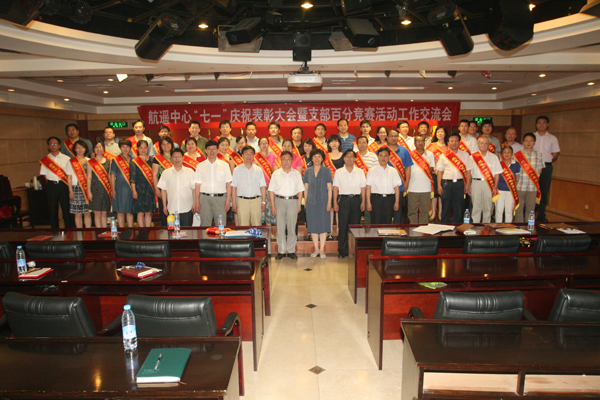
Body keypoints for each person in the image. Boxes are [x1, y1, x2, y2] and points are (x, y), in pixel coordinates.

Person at [269, 151, 304, 260]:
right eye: (284, 159)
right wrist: (273, 206)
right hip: (279, 201)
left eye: (288, 159)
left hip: (293, 201)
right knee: (280, 227)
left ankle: (291, 250)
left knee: (292, 227)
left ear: (292, 160)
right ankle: (281, 251)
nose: (286, 161)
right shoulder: (276, 174)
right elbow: (271, 191)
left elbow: (300, 191)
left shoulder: (297, 174)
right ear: (280, 160)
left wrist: (299, 205)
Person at [333, 150, 366, 258]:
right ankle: (342, 251)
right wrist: (335, 202)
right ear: (343, 158)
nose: (349, 159)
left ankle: (355, 250)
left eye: (351, 157)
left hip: (356, 200)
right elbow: (335, 188)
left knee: (355, 227)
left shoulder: (360, 171)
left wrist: (363, 201)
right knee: (342, 227)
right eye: (347, 156)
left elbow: (363, 188)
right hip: (343, 200)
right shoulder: (339, 172)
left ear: (355, 159)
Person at [193, 140, 233, 227]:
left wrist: (228, 201)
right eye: (209, 149)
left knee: (221, 225)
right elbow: (197, 184)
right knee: (204, 225)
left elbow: (228, 184)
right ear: (205, 151)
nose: (212, 151)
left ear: (218, 150)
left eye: (214, 149)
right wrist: (196, 201)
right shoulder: (200, 166)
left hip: (220, 199)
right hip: (204, 199)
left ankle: (220, 237)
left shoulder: (224, 165)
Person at [436, 133, 473, 224]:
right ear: (448, 143)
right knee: (445, 206)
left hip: (460, 184)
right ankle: (444, 226)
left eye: (456, 141)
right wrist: (439, 185)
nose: (454, 143)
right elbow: (439, 172)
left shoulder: (465, 155)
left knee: (459, 207)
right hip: (446, 184)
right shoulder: (443, 155)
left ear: (459, 142)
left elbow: (468, 172)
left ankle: (457, 226)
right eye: (452, 141)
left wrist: (468, 185)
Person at [303, 148, 333, 258]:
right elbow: (306, 188)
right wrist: (306, 203)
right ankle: (316, 249)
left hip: (324, 201)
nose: (317, 159)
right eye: (315, 156)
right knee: (313, 226)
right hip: (311, 202)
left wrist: (329, 202)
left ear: (322, 159)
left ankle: (322, 250)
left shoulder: (327, 171)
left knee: (324, 225)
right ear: (311, 158)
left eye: (319, 156)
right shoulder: (307, 171)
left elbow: (329, 188)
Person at [40, 136, 73, 228]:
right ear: (48, 146)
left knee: (66, 208)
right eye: (51, 144)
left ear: (59, 145)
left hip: (63, 185)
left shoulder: (66, 158)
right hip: (51, 185)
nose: (53, 145)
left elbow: (69, 174)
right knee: (52, 209)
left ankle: (69, 229)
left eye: (55, 144)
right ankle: (54, 230)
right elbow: (44, 175)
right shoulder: (45, 160)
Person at [157, 149, 195, 227]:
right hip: (172, 209)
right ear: (171, 158)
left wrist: (195, 203)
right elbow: (163, 190)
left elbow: (194, 189)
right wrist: (164, 205)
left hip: (187, 208)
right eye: (174, 156)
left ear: (183, 158)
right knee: (173, 232)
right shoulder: (166, 173)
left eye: (179, 156)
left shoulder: (190, 172)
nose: (177, 159)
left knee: (187, 232)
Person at [469, 136, 502, 223]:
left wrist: (495, 187)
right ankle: (475, 225)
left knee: (488, 207)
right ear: (478, 144)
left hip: (489, 184)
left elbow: (497, 174)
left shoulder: (494, 157)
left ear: (489, 145)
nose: (483, 145)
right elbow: (469, 173)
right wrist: (469, 186)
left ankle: (486, 226)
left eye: (486, 143)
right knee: (476, 207)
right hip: (476, 183)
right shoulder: (472, 157)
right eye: (482, 143)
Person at [533, 115, 560, 223]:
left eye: (544, 122)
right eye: (539, 122)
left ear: (547, 124)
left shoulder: (552, 138)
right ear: (536, 125)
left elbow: (556, 152)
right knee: (532, 191)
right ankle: (531, 214)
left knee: (543, 191)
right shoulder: (532, 137)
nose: (541, 125)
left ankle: (541, 215)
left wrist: (548, 160)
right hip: (532, 167)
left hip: (546, 167)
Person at [232, 146, 267, 226]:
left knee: (257, 225)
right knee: (243, 225)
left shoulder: (258, 169)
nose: (248, 156)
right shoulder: (237, 170)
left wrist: (263, 202)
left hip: (256, 201)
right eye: (246, 153)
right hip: (242, 201)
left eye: (251, 153)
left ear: (254, 155)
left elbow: (262, 186)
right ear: (242, 155)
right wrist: (234, 202)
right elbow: (234, 187)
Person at [514, 132, 544, 223]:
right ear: (523, 142)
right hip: (520, 185)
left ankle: (529, 227)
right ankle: (519, 226)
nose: (528, 143)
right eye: (526, 140)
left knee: (531, 209)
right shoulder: (517, 155)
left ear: (534, 142)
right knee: (519, 208)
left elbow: (540, 170)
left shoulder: (539, 154)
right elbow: (514, 171)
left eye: (531, 141)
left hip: (532, 186)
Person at [366, 147, 401, 224]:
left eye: (385, 155)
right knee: (375, 222)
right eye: (381, 155)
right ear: (378, 157)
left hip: (389, 200)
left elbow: (396, 188)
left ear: (389, 157)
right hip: (376, 199)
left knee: (387, 222)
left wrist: (397, 202)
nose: (383, 158)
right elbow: (368, 188)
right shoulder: (372, 170)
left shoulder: (393, 171)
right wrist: (368, 202)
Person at [385, 128, 413, 224]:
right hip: (385, 185)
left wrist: (407, 182)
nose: (393, 138)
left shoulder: (404, 150)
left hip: (400, 185)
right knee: (387, 210)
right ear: (387, 137)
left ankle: (397, 228)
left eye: (396, 136)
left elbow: (408, 167)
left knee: (398, 209)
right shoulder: (382, 150)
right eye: (391, 136)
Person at [408, 135, 435, 224]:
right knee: (412, 211)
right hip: (412, 187)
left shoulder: (430, 154)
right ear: (414, 143)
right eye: (418, 141)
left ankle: (423, 229)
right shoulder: (410, 155)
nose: (420, 143)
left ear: (425, 143)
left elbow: (431, 168)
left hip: (426, 188)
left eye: (422, 141)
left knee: (424, 211)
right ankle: (412, 228)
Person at [65, 140, 91, 228]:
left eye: (82, 147)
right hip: (75, 188)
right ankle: (79, 232)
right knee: (78, 214)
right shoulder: (71, 161)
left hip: (87, 188)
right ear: (75, 149)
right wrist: (70, 191)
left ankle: (88, 232)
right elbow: (69, 178)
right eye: (78, 148)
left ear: (85, 149)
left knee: (87, 213)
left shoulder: (89, 161)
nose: (80, 150)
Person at [131, 140, 156, 227]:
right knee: (140, 212)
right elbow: (132, 178)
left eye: (145, 147)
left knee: (148, 212)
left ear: (148, 148)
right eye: (141, 148)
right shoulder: (134, 161)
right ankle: (141, 231)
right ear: (137, 149)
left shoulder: (152, 160)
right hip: (139, 189)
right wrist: (134, 191)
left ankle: (148, 230)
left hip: (149, 189)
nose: (143, 150)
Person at [87, 141, 112, 228]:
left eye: (100, 147)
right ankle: (98, 231)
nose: (99, 149)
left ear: (104, 149)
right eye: (96, 147)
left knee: (104, 213)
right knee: (97, 213)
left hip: (105, 189)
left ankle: (104, 231)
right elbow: (89, 177)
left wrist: (111, 189)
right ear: (94, 149)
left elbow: (109, 176)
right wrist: (88, 191)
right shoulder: (90, 162)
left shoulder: (108, 161)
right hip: (95, 189)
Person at [110, 139, 134, 228]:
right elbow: (112, 175)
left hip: (131, 188)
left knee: (130, 211)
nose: (125, 149)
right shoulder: (116, 160)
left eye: (127, 147)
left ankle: (130, 231)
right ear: (120, 148)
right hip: (119, 188)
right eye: (123, 147)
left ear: (130, 148)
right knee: (120, 212)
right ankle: (122, 232)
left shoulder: (133, 160)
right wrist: (113, 189)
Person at [427, 126, 448, 222]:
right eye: (438, 132)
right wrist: (433, 169)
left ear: (445, 133)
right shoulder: (431, 146)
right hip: (434, 173)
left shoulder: (448, 146)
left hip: (445, 174)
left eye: (442, 132)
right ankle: (434, 213)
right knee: (435, 194)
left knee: (442, 194)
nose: (440, 134)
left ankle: (441, 213)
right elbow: (427, 160)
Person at [255, 137, 278, 228]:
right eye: (262, 143)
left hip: (270, 187)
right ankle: (259, 230)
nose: (264, 145)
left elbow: (275, 173)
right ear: (259, 145)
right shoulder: (255, 157)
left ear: (269, 145)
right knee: (259, 210)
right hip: (258, 188)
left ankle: (269, 231)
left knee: (269, 210)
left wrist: (270, 184)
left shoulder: (273, 156)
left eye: (266, 143)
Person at [496, 145, 521, 223]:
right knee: (499, 210)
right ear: (502, 154)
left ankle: (508, 227)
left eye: (509, 152)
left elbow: (517, 178)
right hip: (499, 190)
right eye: (505, 152)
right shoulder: (499, 164)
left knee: (509, 211)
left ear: (512, 154)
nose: (507, 154)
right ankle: (498, 226)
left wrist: (513, 187)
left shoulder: (516, 164)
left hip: (510, 191)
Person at [153, 137, 174, 227]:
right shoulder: (157, 158)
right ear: (160, 146)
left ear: (171, 144)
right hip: (163, 188)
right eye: (163, 144)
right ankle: (166, 231)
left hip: (175, 187)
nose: (166, 146)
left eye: (168, 144)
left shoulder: (176, 155)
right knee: (165, 211)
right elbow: (154, 174)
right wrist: (157, 189)